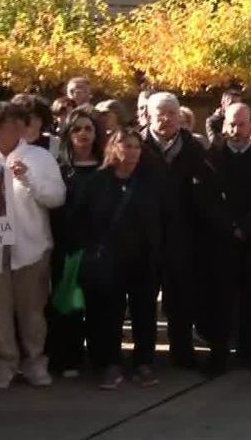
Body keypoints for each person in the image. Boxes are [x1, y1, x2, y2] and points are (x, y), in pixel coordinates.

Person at [0, 102, 67, 390]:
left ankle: (35, 362)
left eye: (19, 124)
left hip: (31, 247)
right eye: (7, 125)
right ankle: (3, 364)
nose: (14, 130)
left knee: (32, 311)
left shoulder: (39, 157)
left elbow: (56, 198)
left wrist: (27, 178)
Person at [73, 128, 163, 389]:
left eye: (136, 146)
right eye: (127, 145)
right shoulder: (97, 182)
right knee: (107, 315)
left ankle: (143, 362)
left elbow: (164, 218)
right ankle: (109, 364)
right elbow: (80, 220)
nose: (133, 151)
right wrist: (91, 248)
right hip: (108, 260)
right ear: (114, 148)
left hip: (144, 259)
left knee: (144, 313)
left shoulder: (150, 180)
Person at [142, 92, 226, 370]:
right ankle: (143, 355)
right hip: (144, 237)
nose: (166, 119)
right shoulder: (135, 146)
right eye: (160, 113)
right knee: (143, 299)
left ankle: (183, 352)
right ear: (148, 116)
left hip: (184, 237)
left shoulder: (195, 149)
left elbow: (210, 191)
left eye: (171, 113)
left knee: (181, 301)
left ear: (180, 116)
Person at [207, 101, 251, 374]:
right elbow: (206, 198)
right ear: (224, 125)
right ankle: (219, 353)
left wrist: (248, 226)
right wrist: (227, 225)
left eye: (242, 124)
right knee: (220, 299)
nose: (236, 129)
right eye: (231, 124)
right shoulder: (212, 156)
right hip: (221, 239)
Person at [46, 107, 106, 377]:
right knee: (67, 305)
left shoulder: (107, 167)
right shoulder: (58, 169)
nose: (83, 134)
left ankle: (100, 358)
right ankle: (67, 357)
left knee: (98, 306)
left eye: (88, 129)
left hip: (99, 248)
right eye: (77, 129)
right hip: (67, 247)